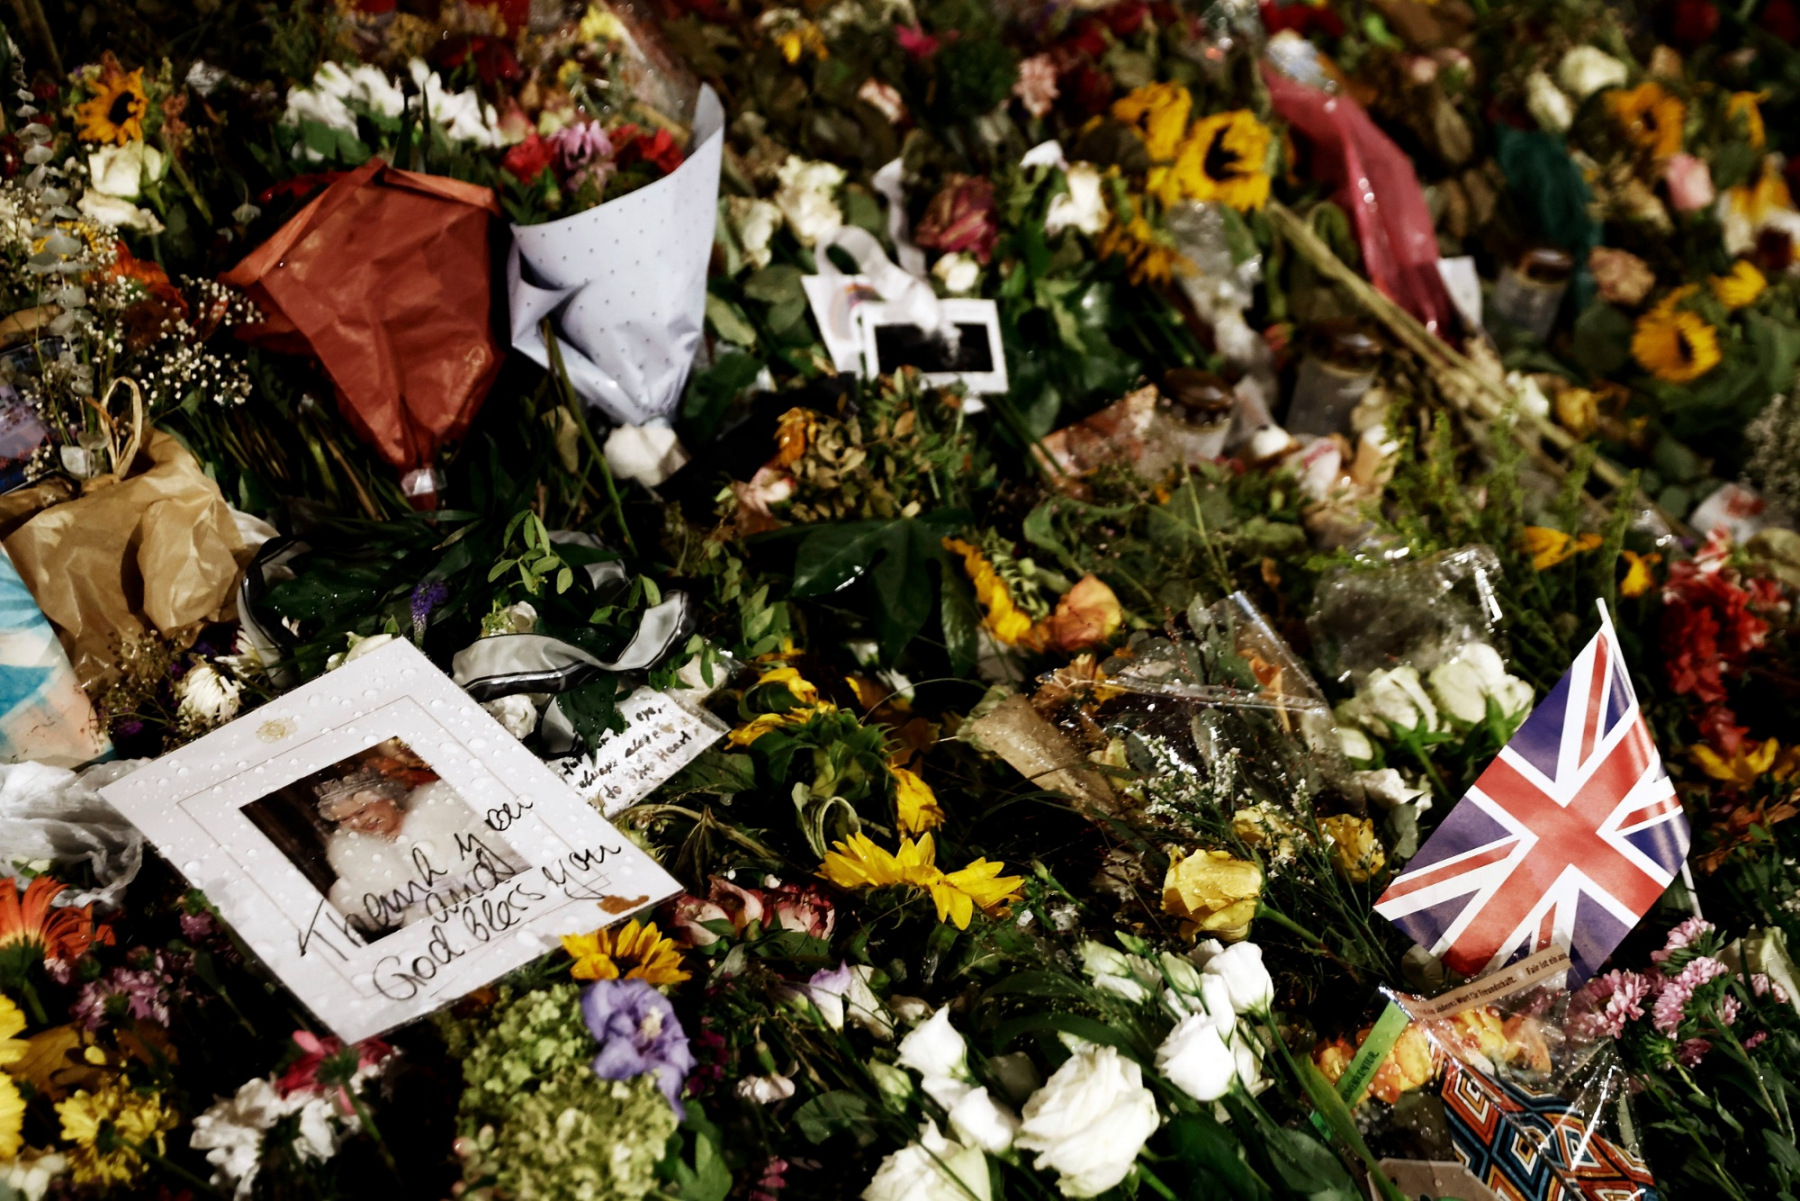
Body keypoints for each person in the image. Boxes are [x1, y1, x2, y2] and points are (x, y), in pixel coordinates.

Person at [314, 762, 519, 936]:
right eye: (344, 819)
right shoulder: (354, 855)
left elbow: (520, 854)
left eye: (361, 811)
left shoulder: (450, 811)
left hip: (506, 911)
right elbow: (355, 913)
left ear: (386, 796)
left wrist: (466, 881)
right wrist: (395, 900)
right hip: (440, 940)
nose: (357, 823)